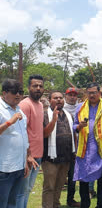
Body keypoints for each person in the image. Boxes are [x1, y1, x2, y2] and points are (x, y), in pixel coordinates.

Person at [73, 82, 102, 208]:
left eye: (94, 92)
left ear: (99, 93)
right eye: (89, 93)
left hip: (101, 150)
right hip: (85, 150)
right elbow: (74, 126)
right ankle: (85, 204)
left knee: (101, 181)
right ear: (86, 94)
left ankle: (100, 204)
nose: (92, 95)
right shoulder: (80, 107)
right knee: (83, 180)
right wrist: (79, 126)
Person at [42, 91, 76, 208]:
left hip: (66, 157)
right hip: (50, 158)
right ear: (49, 100)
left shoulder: (68, 115)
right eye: (55, 98)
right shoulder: (45, 115)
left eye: (60, 98)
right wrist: (54, 120)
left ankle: (55, 204)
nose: (58, 100)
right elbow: (44, 134)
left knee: (59, 185)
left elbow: (72, 135)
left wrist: (74, 151)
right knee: (49, 186)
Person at [0, 79, 29, 208]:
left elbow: (24, 138)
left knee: (12, 202)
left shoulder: (19, 110)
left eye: (20, 92)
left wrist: (25, 161)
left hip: (19, 166)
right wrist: (9, 122)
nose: (18, 95)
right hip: (4, 168)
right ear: (4, 92)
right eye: (14, 92)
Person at [19, 75, 44, 208]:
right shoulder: (25, 104)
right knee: (21, 192)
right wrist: (26, 155)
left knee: (27, 190)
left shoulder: (39, 105)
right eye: (35, 86)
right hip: (26, 157)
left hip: (37, 156)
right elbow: (20, 131)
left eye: (40, 86)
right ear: (29, 88)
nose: (38, 88)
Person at [63, 88, 81, 207]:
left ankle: (70, 199)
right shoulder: (62, 108)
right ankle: (54, 200)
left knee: (73, 176)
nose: (72, 97)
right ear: (66, 96)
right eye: (70, 95)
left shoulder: (80, 108)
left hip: (79, 145)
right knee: (60, 175)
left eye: (75, 95)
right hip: (64, 145)